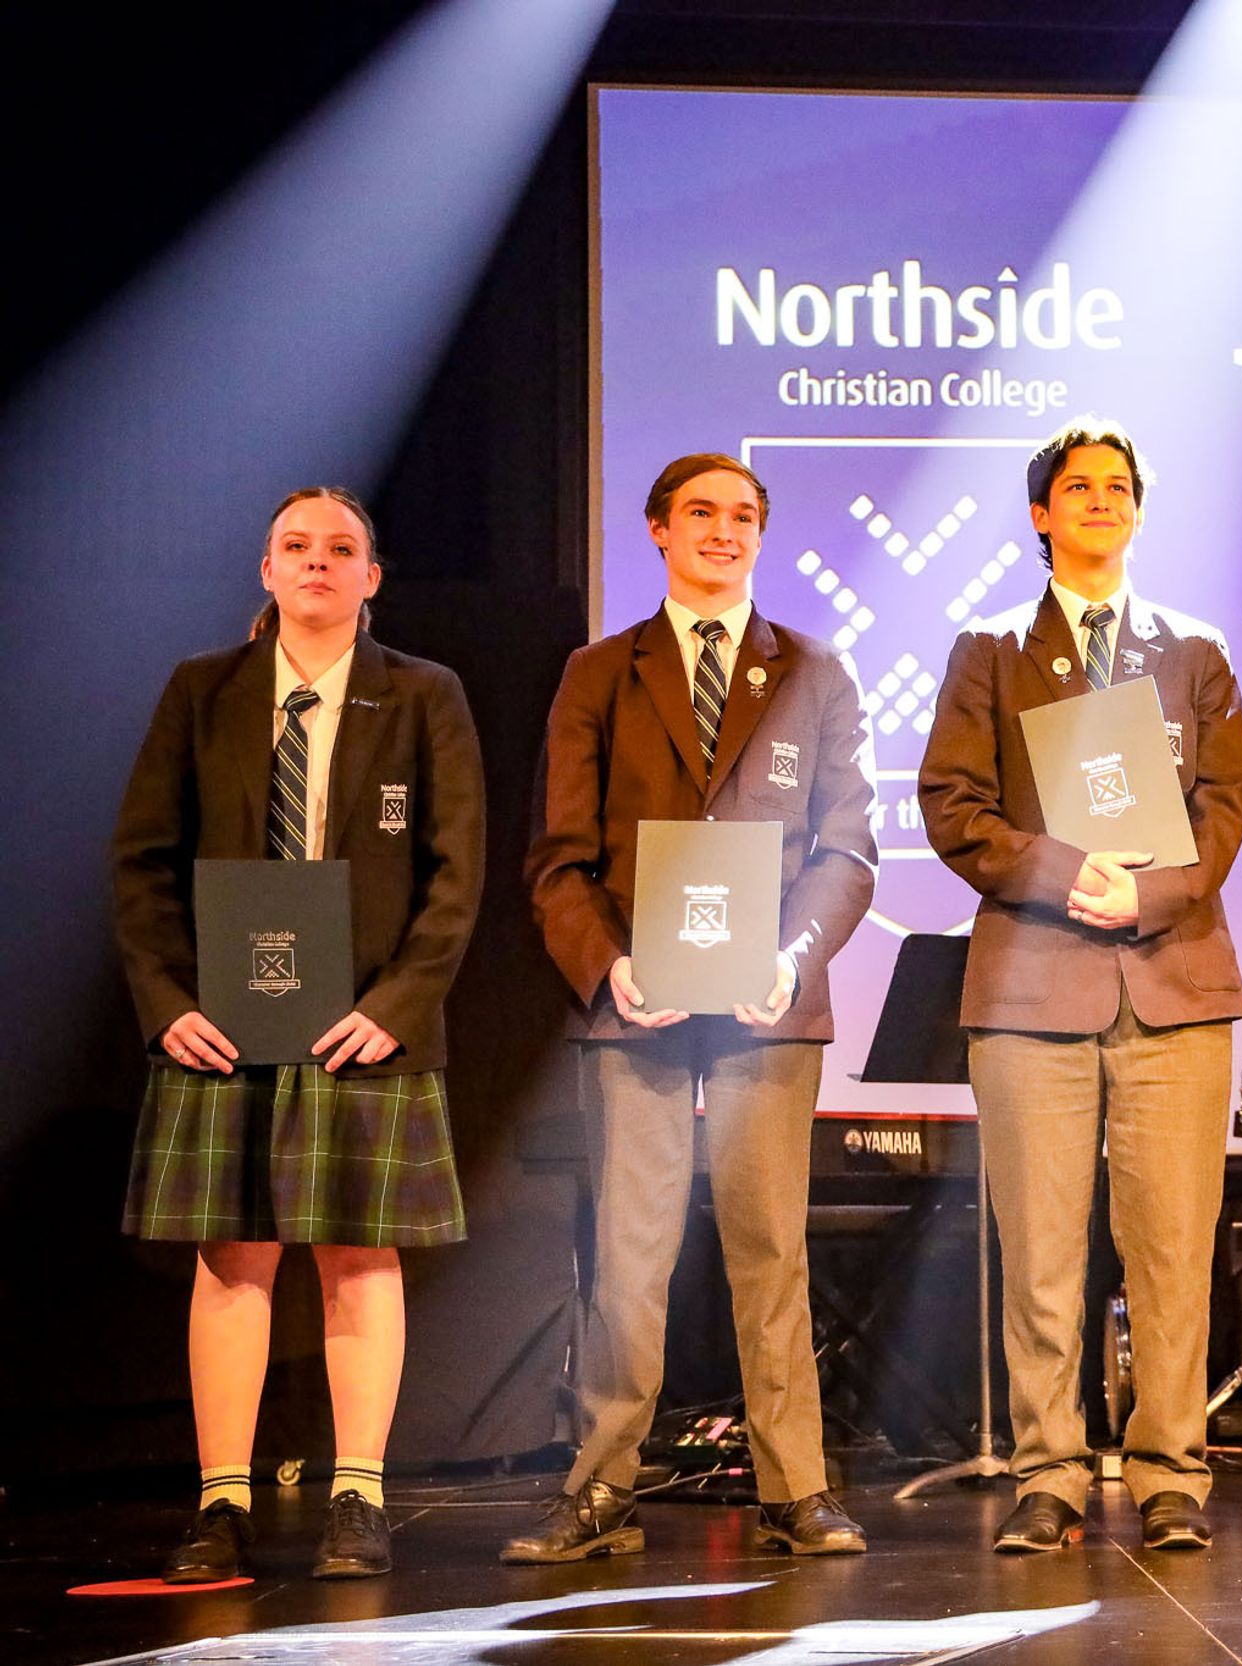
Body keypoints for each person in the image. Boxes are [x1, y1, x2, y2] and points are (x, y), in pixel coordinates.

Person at [508, 452, 878, 1563]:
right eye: (702, 512)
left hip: (769, 1003)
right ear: (657, 529)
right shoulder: (598, 673)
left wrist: (792, 958)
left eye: (744, 515)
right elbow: (559, 856)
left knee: (771, 1248)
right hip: (639, 1004)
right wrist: (609, 965)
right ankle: (602, 1489)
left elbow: (848, 850)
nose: (725, 530)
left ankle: (795, 1489)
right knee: (631, 1254)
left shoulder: (814, 670)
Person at [113, 487, 485, 1582]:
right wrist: (168, 1003)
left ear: (372, 577)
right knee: (231, 1257)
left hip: (363, 1024)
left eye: (340, 548)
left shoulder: (424, 693)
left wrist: (396, 1007)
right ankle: (220, 1505)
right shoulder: (202, 690)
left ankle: (357, 1500)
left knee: (359, 1254)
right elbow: (142, 860)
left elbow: (456, 874)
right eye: (295, 545)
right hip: (222, 1023)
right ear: (267, 570)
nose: (317, 561)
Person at [918, 416, 1242, 1553]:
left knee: (1173, 1252)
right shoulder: (990, 650)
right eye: (1079, 486)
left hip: (1173, 981)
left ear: (1137, 511)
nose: (1102, 499)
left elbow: (1225, 804)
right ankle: (1050, 1473)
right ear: (1040, 514)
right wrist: (1068, 878)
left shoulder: (1193, 650)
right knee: (1042, 1252)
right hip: (1033, 987)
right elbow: (952, 803)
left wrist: (1151, 893)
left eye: (1119, 485)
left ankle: (1171, 1474)